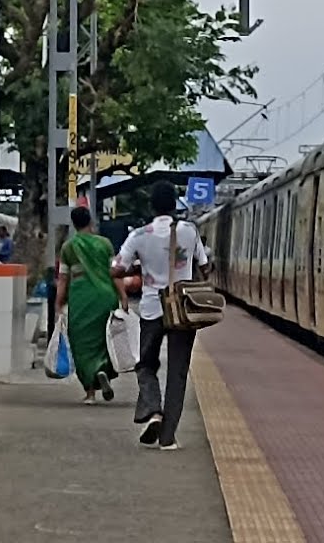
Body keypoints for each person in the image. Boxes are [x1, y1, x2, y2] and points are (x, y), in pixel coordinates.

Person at [112, 180, 211, 450]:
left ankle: (153, 410)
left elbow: (117, 268)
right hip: (183, 310)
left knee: (146, 364)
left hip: (152, 309)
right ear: (174, 205)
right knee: (177, 373)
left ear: (152, 206)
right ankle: (168, 439)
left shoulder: (139, 236)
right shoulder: (189, 231)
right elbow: (205, 265)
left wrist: (138, 267)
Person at [56, 206, 128, 404]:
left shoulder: (68, 247)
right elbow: (115, 273)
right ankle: (102, 370)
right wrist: (123, 296)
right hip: (105, 297)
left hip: (81, 298)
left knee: (82, 344)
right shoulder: (105, 244)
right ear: (91, 221)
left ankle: (90, 393)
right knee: (104, 339)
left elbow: (63, 278)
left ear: (73, 224)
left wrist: (58, 303)